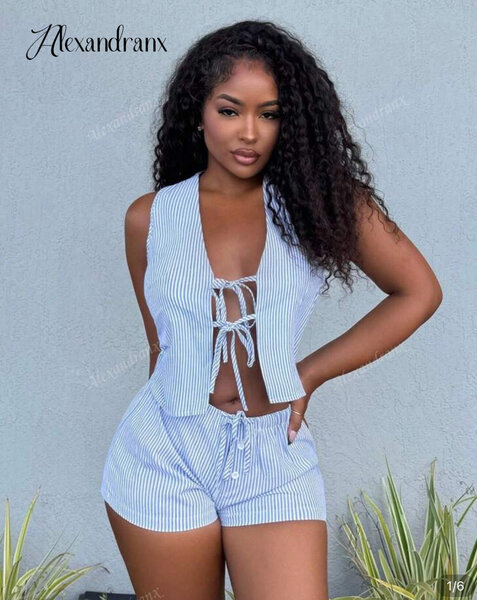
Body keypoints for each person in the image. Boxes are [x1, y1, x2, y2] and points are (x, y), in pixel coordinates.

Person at [100, 19, 443, 600]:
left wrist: (309, 375)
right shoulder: (149, 218)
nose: (249, 132)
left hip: (271, 454)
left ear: (292, 120)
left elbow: (419, 292)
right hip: (161, 452)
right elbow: (161, 346)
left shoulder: (320, 205)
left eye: (270, 114)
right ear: (198, 112)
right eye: (229, 110)